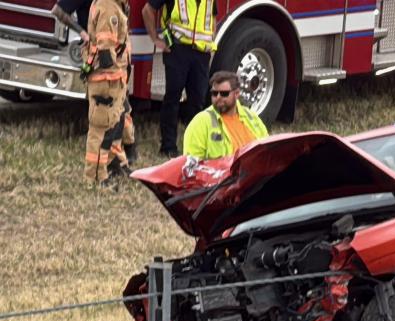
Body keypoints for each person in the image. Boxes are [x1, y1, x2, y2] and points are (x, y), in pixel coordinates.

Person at [53, 0, 137, 169]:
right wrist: (83, 33)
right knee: (109, 115)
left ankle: (127, 149)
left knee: (121, 109)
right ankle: (112, 162)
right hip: (102, 64)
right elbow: (58, 11)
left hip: (118, 64)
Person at [142, 0, 217, 158]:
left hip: (201, 53)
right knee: (172, 99)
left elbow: (212, 17)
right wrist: (155, 39)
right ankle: (168, 147)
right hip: (177, 50)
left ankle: (195, 146)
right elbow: (147, 10)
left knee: (197, 102)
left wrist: (211, 43)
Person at [81, 0, 132, 188]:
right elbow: (105, 47)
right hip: (106, 79)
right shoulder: (109, 5)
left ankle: (114, 163)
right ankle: (95, 177)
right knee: (100, 128)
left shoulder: (115, 4)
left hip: (114, 77)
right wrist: (111, 72)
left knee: (115, 123)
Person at [183, 71, 268, 160]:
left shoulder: (252, 117)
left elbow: (267, 149)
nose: (218, 97)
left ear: (237, 94)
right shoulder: (200, 122)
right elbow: (191, 165)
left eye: (224, 93)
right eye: (214, 93)